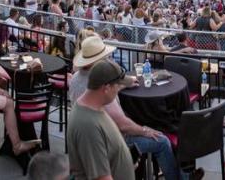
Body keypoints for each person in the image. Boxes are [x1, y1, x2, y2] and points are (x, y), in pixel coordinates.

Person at [68, 36, 197, 180]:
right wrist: (145, 131)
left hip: (116, 144)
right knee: (162, 140)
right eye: (105, 57)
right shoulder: (92, 116)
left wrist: (122, 84)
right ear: (106, 88)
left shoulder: (76, 80)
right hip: (123, 139)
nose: (108, 59)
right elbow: (122, 124)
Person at [67, 60, 137, 180]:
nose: (118, 90)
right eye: (117, 86)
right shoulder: (87, 126)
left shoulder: (96, 107)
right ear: (106, 88)